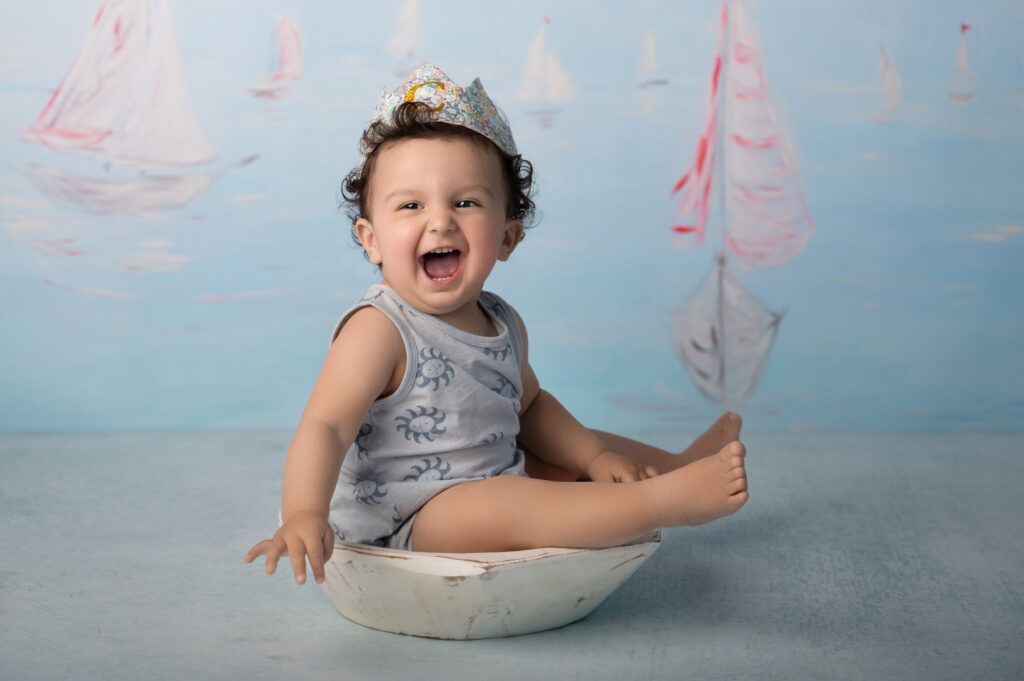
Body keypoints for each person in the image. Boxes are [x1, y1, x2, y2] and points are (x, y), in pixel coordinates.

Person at [245, 63, 747, 585]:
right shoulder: (379, 329)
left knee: (581, 446)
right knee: (509, 506)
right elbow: (325, 426)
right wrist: (306, 511)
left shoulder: (502, 320)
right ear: (370, 239)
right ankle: (658, 502)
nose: (439, 220)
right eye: (411, 204)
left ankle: (675, 464)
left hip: (496, 473)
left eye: (465, 202)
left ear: (507, 236)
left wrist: (596, 458)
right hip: (409, 520)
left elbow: (527, 406)